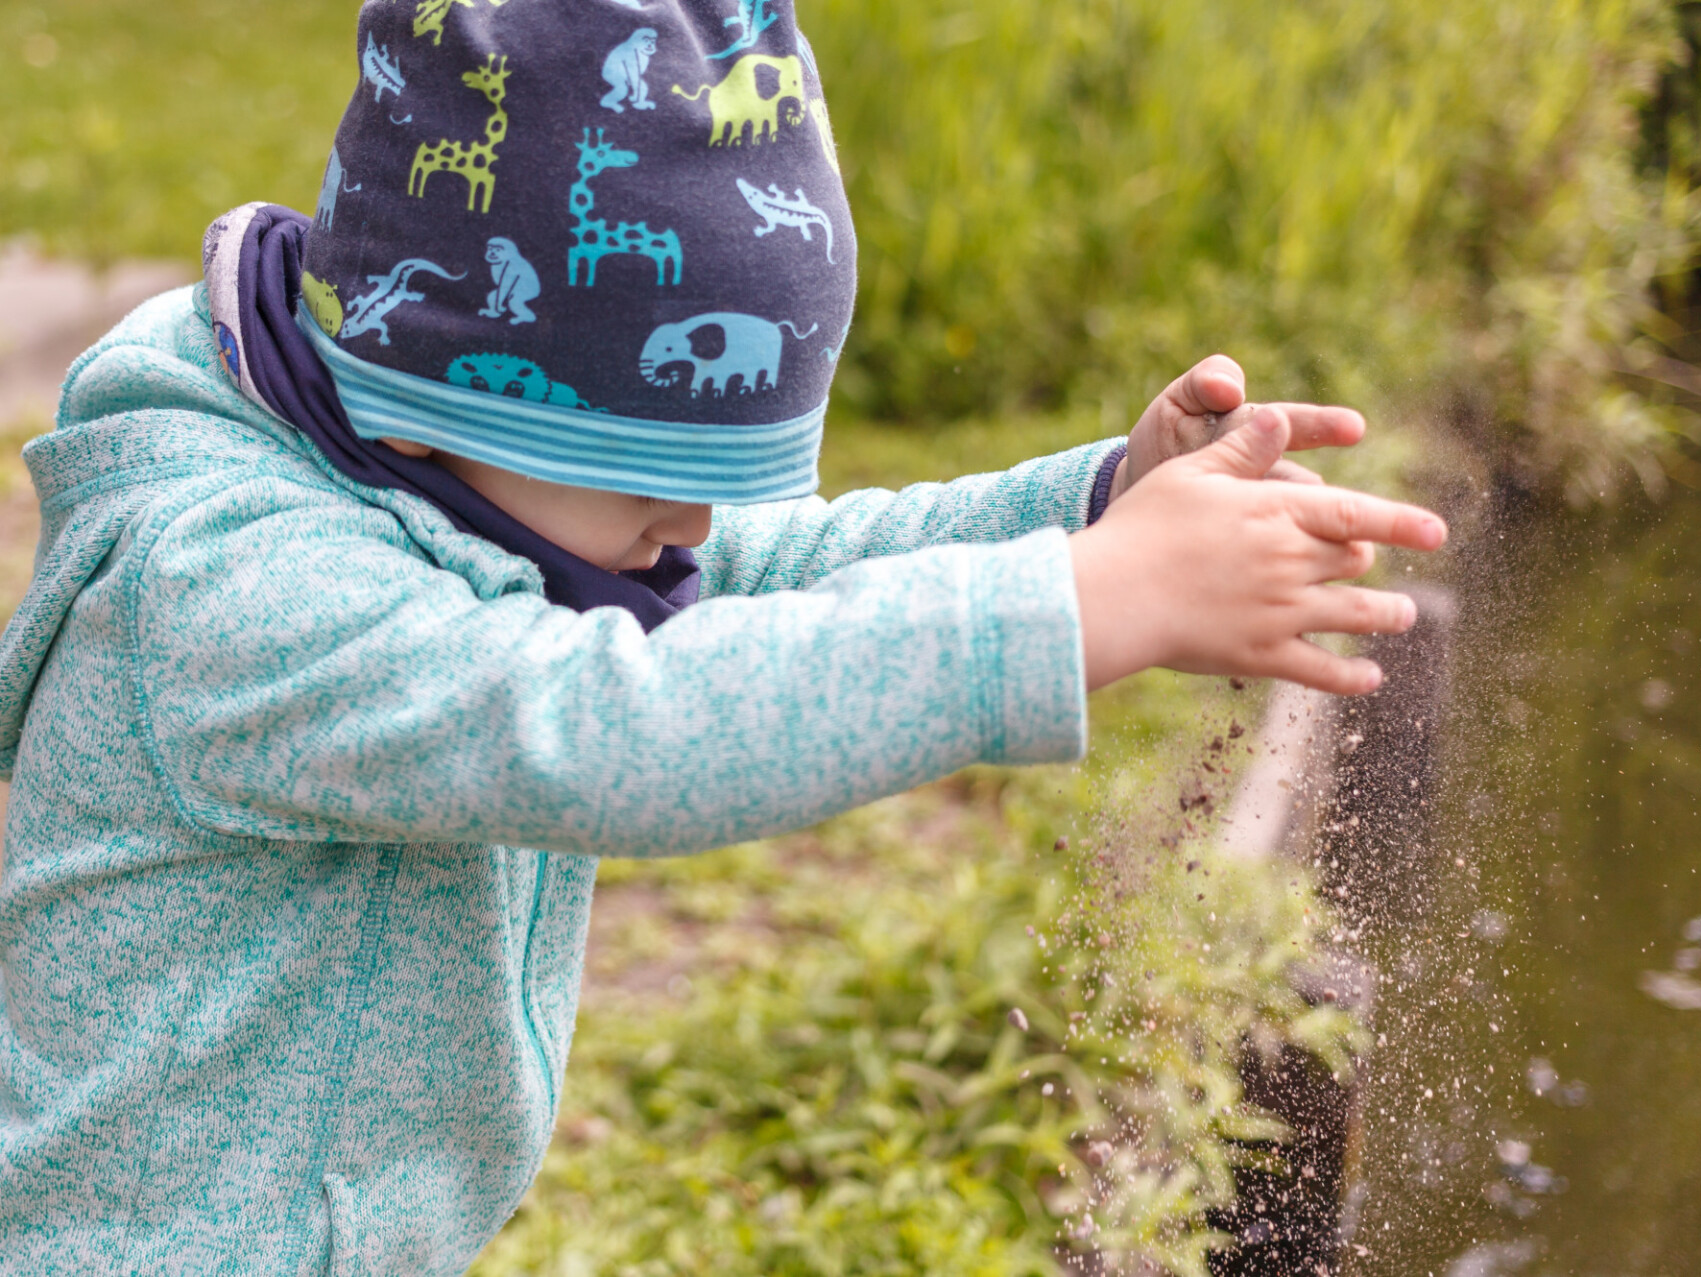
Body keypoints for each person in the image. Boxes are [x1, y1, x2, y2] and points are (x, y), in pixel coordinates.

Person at [0, 2, 1445, 1272]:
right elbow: (619, 731)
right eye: (650, 479)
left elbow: (751, 570)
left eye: (726, 475)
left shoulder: (435, 482)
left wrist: (1088, 516)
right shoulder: (236, 593)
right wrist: (1086, 606)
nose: (688, 524)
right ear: (464, 392)